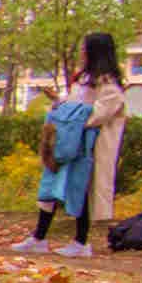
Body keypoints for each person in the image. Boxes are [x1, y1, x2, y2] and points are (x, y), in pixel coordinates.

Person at [13, 31, 128, 258]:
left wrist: (71, 115)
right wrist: (59, 103)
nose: (82, 52)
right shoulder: (84, 79)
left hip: (87, 147)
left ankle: (81, 242)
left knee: (81, 189)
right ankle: (39, 237)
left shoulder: (108, 85)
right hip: (68, 142)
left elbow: (96, 114)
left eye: (85, 48)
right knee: (51, 185)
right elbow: (76, 106)